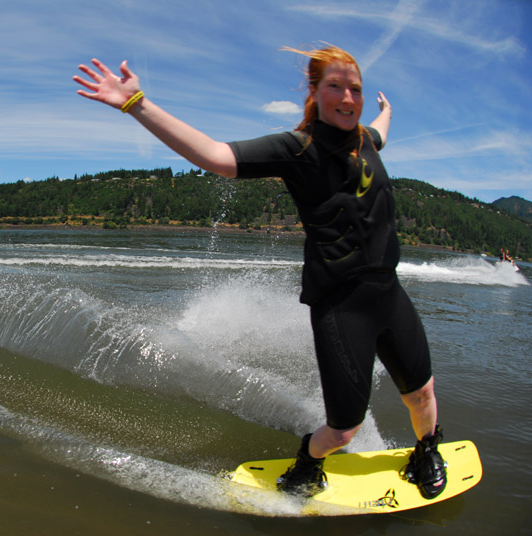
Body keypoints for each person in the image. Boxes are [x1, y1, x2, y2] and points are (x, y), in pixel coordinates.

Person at [73, 46, 447, 500]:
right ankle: (309, 462)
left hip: (390, 294)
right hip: (341, 304)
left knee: (422, 395)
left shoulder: (366, 137)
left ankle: (426, 450)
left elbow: (381, 133)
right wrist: (137, 104)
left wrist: (388, 111)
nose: (348, 98)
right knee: (344, 429)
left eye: (356, 89)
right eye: (335, 86)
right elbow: (214, 155)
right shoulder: (298, 148)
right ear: (313, 91)